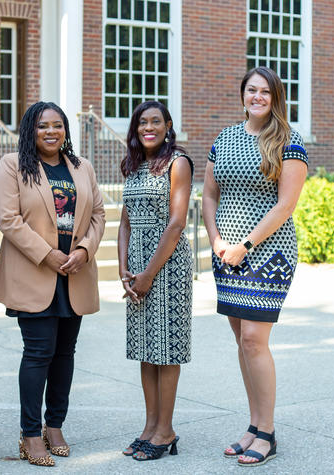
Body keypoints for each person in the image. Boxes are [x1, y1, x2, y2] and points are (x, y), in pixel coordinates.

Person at [202, 66, 308, 467]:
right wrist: (216, 241)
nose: (258, 97)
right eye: (252, 90)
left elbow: (286, 205)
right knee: (241, 342)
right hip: (225, 255)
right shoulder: (225, 138)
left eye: (266, 92)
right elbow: (209, 196)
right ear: (243, 94)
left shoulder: (288, 142)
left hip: (269, 254)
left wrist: (246, 244)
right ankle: (253, 424)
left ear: (275, 97)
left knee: (253, 340)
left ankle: (267, 433)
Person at [0, 102, 105, 467]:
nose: (51, 132)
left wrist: (84, 251)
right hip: (35, 273)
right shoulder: (13, 165)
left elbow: (99, 213)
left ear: (65, 130)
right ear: (30, 130)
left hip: (75, 273)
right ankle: (29, 433)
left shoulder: (81, 167)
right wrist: (49, 256)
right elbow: (9, 220)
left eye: (57, 125)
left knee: (65, 353)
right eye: (43, 126)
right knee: (39, 352)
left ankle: (54, 426)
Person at [118, 101, 193, 462]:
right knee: (146, 351)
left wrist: (148, 274)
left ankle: (167, 430)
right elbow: (125, 223)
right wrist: (124, 271)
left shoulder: (177, 163)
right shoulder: (133, 167)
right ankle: (150, 427)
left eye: (155, 122)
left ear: (167, 125)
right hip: (137, 271)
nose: (148, 127)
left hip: (168, 265)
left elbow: (176, 224)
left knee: (167, 349)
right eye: (142, 122)